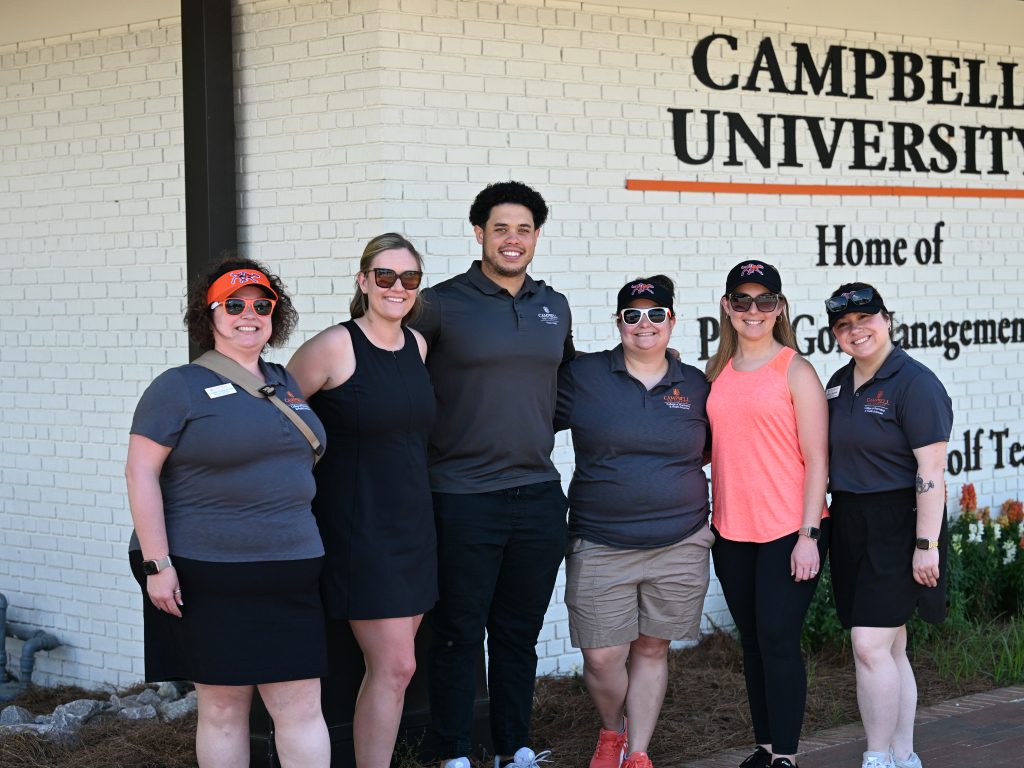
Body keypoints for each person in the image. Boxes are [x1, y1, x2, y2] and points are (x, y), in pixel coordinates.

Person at [125, 258, 330, 768]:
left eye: (262, 305)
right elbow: (140, 473)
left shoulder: (287, 384)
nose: (249, 314)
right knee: (222, 709)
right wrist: (157, 563)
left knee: (302, 707)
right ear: (209, 314)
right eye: (233, 304)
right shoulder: (178, 386)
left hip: (292, 566)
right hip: (210, 569)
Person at [413, 181, 574, 768]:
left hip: (536, 493)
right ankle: (454, 751)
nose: (513, 239)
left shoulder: (553, 305)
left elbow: (564, 386)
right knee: (457, 630)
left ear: (536, 237)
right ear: (478, 233)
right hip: (459, 495)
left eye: (524, 229)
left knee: (517, 633)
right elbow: (398, 378)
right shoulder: (437, 304)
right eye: (501, 228)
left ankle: (516, 747)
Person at [287, 233, 437, 768]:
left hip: (414, 526)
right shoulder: (333, 347)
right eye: (385, 276)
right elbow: (276, 421)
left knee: (397, 670)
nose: (397, 287)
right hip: (360, 530)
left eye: (409, 278)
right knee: (395, 667)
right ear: (363, 281)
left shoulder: (417, 346)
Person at [555, 276, 713, 768]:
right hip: (601, 541)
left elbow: (716, 448)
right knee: (602, 657)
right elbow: (524, 416)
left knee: (651, 648)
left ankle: (639, 751)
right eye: (632, 315)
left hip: (681, 541)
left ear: (672, 320)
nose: (644, 324)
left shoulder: (696, 385)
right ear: (618, 323)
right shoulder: (583, 377)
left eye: (655, 314)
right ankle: (612, 730)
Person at [705, 261, 829, 768]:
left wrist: (809, 535)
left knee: (778, 643)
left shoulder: (795, 370)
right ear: (727, 308)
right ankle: (766, 746)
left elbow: (819, 459)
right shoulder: (718, 374)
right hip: (732, 532)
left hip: (786, 531)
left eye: (763, 301)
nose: (752, 310)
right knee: (753, 645)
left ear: (779, 307)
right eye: (742, 300)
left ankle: (788, 757)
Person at [823, 283, 952, 768]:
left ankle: (876, 758)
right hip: (852, 519)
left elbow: (931, 472)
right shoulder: (837, 383)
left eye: (865, 319)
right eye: (844, 325)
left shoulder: (915, 383)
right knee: (892, 646)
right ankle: (904, 754)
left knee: (868, 645)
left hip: (902, 522)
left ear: (887, 318)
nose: (856, 331)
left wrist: (926, 543)